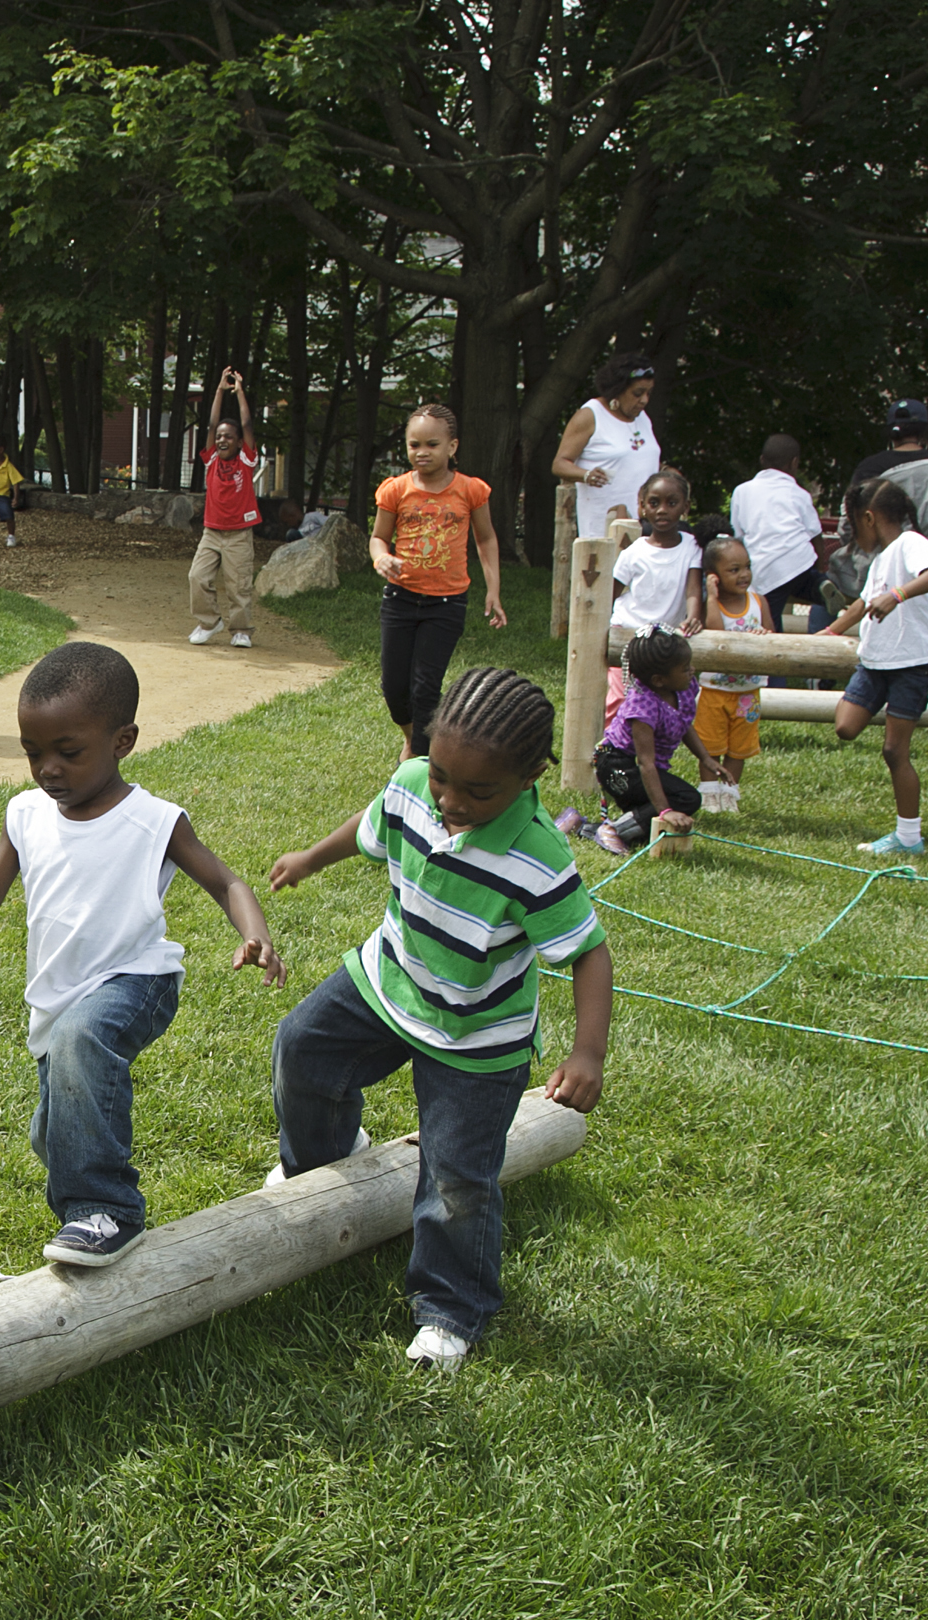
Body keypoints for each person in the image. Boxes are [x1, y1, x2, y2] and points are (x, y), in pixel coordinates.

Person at [264, 666, 613, 1375]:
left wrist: (586, 1054)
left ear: (529, 778)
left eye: (476, 792)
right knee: (302, 1049)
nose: (450, 801)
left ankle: (451, 1311)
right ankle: (325, 1157)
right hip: (389, 978)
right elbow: (370, 826)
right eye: (443, 777)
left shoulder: (537, 857)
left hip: (475, 1039)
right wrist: (308, 858)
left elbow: (588, 954)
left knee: (456, 1177)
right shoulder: (415, 783)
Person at [0, 643, 285, 1269]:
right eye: (33, 752)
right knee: (56, 1126)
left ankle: (105, 1211)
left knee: (81, 1043)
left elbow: (226, 882)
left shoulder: (155, 821)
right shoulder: (25, 815)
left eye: (68, 752)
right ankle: (79, 1164)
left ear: (123, 741)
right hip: (55, 996)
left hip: (136, 977)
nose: (48, 768)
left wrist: (253, 932)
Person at [819, 479, 928, 858]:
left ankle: (909, 837)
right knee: (846, 726)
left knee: (895, 751)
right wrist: (829, 632)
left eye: (853, 523)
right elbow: (862, 604)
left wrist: (897, 595)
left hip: (911, 664)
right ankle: (906, 836)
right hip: (875, 661)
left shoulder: (911, 544)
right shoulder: (882, 558)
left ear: (869, 517)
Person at [370, 402, 506, 755]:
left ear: (452, 447)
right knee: (395, 687)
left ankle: (423, 760)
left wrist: (493, 590)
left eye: (432, 444)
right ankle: (413, 736)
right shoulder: (395, 490)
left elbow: (486, 538)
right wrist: (381, 557)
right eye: (414, 445)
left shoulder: (471, 490)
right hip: (400, 600)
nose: (422, 452)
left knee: (425, 687)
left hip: (446, 604)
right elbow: (379, 537)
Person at [826, 401, 928, 612]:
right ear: (925, 431)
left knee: (826, 591)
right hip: (927, 576)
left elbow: (848, 526)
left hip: (874, 573)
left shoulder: (871, 467)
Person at [593, 627, 721, 855]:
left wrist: (706, 758)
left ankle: (585, 826)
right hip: (619, 765)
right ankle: (614, 830)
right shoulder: (642, 707)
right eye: (684, 668)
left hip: (636, 767)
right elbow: (646, 763)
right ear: (659, 680)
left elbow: (684, 724)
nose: (692, 670)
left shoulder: (681, 689)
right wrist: (664, 812)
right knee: (685, 798)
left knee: (664, 804)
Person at [604, 468, 702, 729]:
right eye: (654, 503)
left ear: (685, 507)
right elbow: (610, 593)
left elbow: (693, 589)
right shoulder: (633, 552)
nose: (662, 510)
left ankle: (646, 753)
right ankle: (606, 750)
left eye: (672, 503)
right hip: (627, 633)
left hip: (664, 639)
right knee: (619, 699)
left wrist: (693, 615)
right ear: (642, 507)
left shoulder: (692, 546)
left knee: (661, 699)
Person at [550, 351, 662, 542]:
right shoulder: (591, 415)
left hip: (645, 527)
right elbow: (559, 464)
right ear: (617, 388)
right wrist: (586, 475)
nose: (644, 400)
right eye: (637, 393)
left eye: (648, 393)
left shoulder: (643, 418)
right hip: (604, 527)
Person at [188, 368, 261, 649]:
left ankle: (241, 629)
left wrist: (239, 392)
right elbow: (209, 425)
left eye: (228, 436)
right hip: (212, 532)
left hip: (239, 534)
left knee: (238, 585)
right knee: (197, 576)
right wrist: (218, 390)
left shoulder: (246, 460)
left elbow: (247, 425)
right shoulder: (211, 461)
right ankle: (209, 622)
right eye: (219, 436)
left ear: (239, 442)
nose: (221, 440)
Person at [695, 537, 768, 811]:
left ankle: (729, 793)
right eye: (734, 570)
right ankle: (709, 793)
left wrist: (764, 634)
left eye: (747, 567)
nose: (744, 574)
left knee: (739, 748)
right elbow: (714, 634)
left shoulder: (758, 602)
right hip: (715, 689)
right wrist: (712, 597)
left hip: (747, 692)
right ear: (713, 577)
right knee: (710, 746)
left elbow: (772, 635)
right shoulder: (711, 605)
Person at [729, 434, 823, 633]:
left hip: (767, 566)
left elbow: (738, 534)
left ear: (762, 460)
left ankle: (775, 650)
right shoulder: (799, 493)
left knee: (769, 616)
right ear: (794, 463)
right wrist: (821, 566)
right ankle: (819, 585)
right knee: (803, 580)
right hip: (799, 559)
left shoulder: (741, 491)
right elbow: (815, 534)